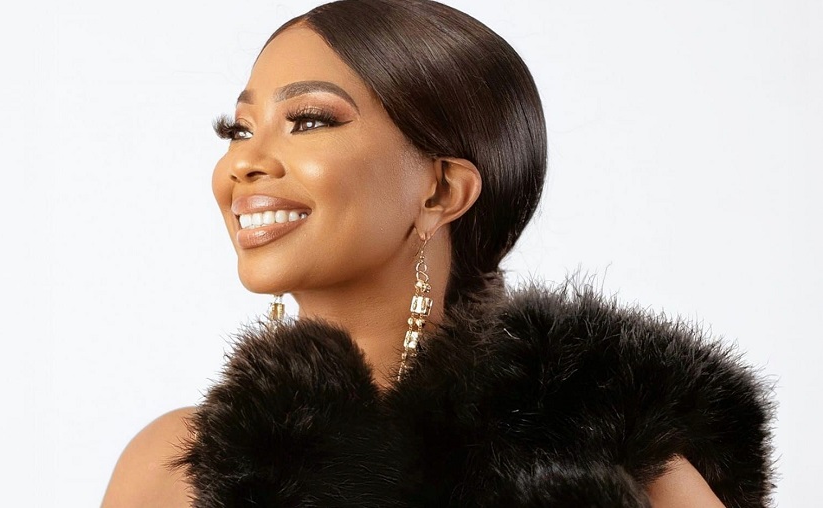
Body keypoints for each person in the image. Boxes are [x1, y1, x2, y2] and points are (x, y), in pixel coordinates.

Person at [101, 1, 774, 506]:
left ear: (442, 190)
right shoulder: (173, 467)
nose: (243, 162)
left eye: (308, 120)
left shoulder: (620, 460)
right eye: (238, 128)